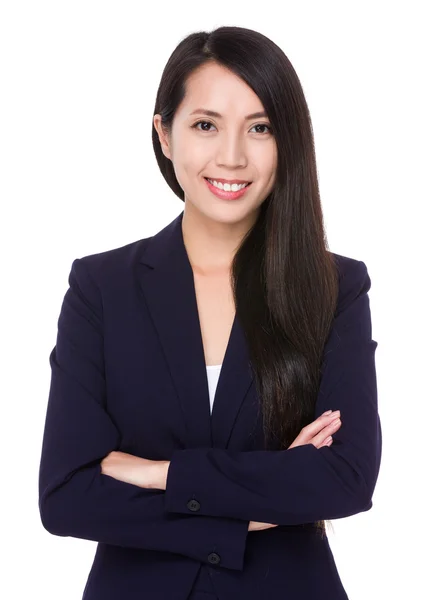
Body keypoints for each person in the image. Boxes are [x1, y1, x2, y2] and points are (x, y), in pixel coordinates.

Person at [38, 25, 382, 600]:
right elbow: (67, 496)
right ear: (164, 134)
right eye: (205, 125)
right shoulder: (101, 287)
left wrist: (160, 473)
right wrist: (264, 500)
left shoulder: (335, 286)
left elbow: (345, 479)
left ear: (287, 141)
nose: (232, 156)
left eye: (261, 128)